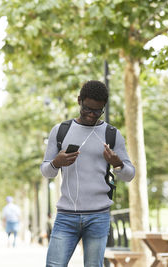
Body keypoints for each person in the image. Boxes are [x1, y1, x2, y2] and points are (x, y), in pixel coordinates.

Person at [40, 80, 135, 267]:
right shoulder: (60, 131)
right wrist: (56, 163)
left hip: (98, 216)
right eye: (87, 109)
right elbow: (46, 172)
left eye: (97, 111)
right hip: (66, 216)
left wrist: (117, 164)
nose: (91, 115)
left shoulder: (111, 134)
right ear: (79, 101)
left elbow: (129, 174)